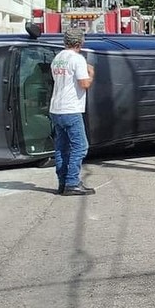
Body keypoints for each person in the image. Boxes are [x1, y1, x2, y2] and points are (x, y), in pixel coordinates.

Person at [50, 28, 95, 196]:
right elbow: (84, 84)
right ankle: (72, 183)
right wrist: (91, 73)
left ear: (65, 41)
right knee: (80, 147)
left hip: (56, 108)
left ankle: (62, 182)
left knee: (61, 148)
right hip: (71, 109)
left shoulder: (58, 58)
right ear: (80, 42)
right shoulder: (77, 59)